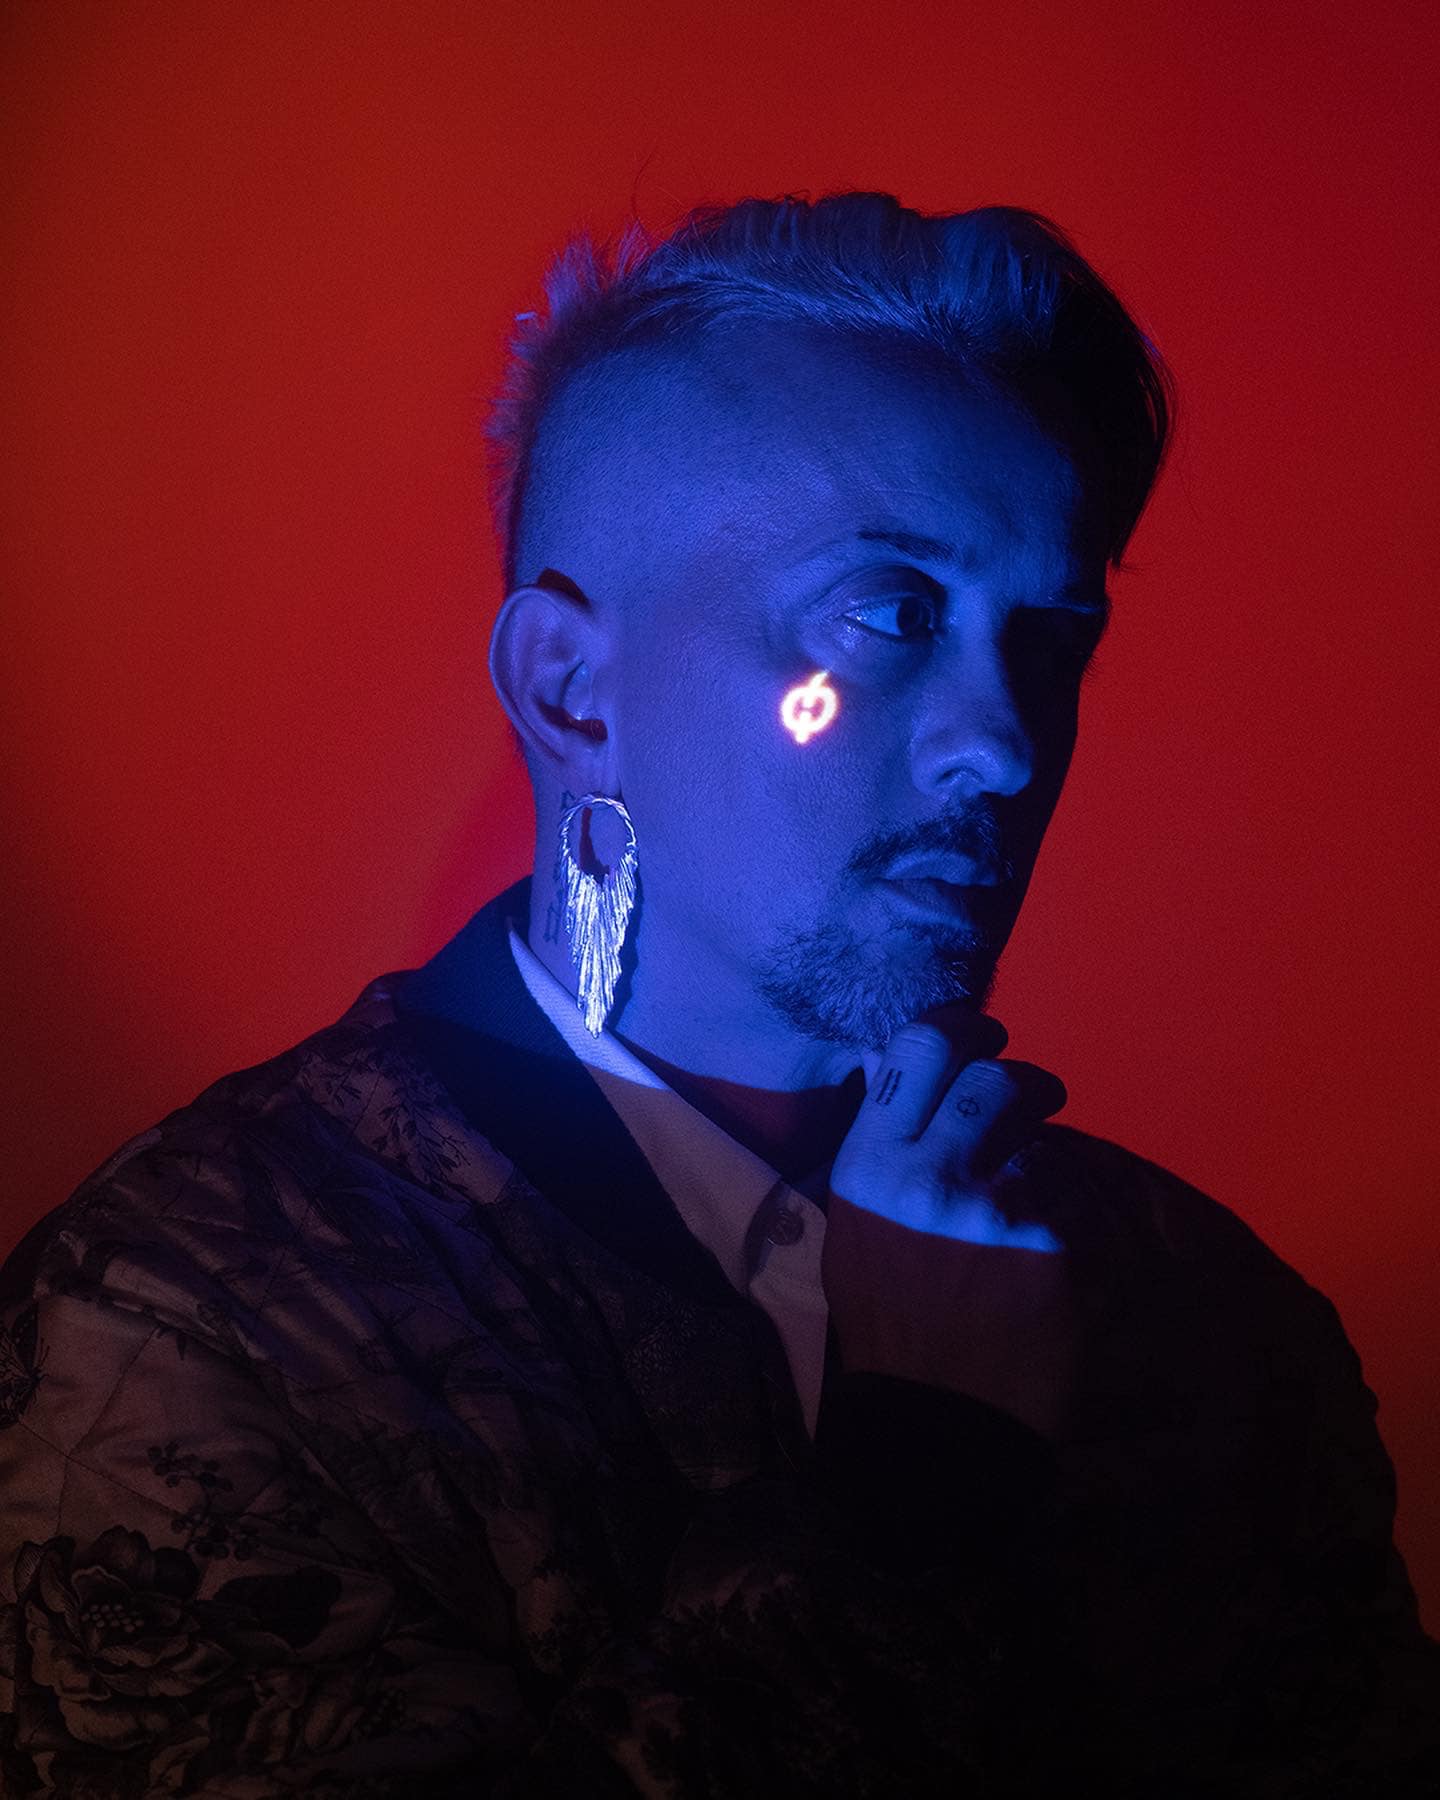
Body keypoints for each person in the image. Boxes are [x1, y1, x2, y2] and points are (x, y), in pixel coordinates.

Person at [1, 192, 1436, 1798]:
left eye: (1052, 642)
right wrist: (922, 1483)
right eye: (888, 614)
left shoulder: (1196, 1318)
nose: (1002, 743)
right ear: (570, 687)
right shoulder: (184, 1324)